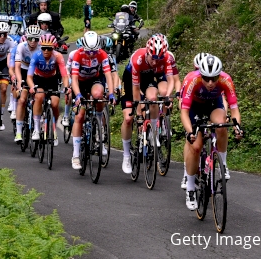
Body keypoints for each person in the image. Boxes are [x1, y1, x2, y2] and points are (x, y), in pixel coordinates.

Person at [180, 55, 243, 211]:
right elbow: (184, 112)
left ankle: (222, 162)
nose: (210, 83)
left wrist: (237, 127)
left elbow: (234, 109)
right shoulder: (191, 80)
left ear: (219, 75)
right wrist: (190, 132)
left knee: (222, 124)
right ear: (200, 74)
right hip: (194, 106)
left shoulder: (226, 80)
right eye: (206, 78)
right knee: (196, 146)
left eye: (214, 78)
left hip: (214, 104)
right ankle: (190, 189)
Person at [119, 34, 177, 175]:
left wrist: (168, 96)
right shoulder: (138, 59)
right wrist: (138, 112)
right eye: (153, 57)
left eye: (159, 58)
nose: (155, 62)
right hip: (131, 81)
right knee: (128, 119)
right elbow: (136, 90)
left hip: (148, 79)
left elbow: (171, 80)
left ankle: (153, 133)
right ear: (147, 52)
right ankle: (126, 155)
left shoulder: (165, 58)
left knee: (152, 98)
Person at [70, 31, 115, 169]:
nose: (91, 54)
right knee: (80, 116)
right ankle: (76, 155)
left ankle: (99, 127)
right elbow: (74, 79)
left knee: (98, 95)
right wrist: (78, 95)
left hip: (95, 79)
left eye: (94, 51)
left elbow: (108, 75)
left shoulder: (102, 54)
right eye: (88, 51)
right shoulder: (78, 55)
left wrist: (112, 94)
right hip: (81, 83)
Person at [27, 34, 69, 146]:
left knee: (55, 104)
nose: (46, 51)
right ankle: (36, 128)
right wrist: (32, 87)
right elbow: (29, 76)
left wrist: (66, 87)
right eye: (43, 48)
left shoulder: (58, 56)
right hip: (38, 79)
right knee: (39, 97)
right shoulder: (36, 56)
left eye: (49, 48)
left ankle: (53, 129)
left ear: (53, 48)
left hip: (52, 79)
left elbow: (65, 75)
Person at [180, 52, 209, 189]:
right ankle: (187, 172)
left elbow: (223, 99)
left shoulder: (213, 80)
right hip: (192, 105)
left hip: (208, 104)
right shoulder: (190, 78)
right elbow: (184, 103)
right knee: (191, 139)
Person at [14, 25, 42, 142]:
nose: (33, 42)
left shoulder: (41, 48)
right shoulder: (21, 47)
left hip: (37, 72)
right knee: (22, 99)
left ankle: (38, 125)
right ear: (27, 37)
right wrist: (20, 83)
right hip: (24, 71)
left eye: (36, 39)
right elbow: (17, 67)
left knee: (40, 96)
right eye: (31, 38)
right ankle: (19, 132)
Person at [0, 22, 18, 131]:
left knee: (4, 88)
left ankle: (0, 115)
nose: (2, 37)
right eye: (0, 34)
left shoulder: (10, 42)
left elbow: (10, 60)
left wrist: (11, 73)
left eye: (4, 35)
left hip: (3, 63)